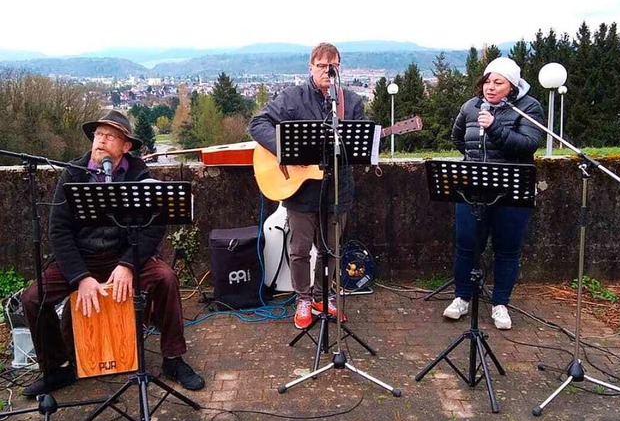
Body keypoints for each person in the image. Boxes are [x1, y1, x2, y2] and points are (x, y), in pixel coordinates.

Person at [21, 110, 205, 397]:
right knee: (33, 298)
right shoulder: (73, 173)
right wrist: (80, 276)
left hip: (124, 254)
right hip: (81, 258)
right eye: (98, 135)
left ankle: (173, 360)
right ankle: (58, 368)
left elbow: (154, 226)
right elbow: (58, 231)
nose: (101, 141)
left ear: (126, 146)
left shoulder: (139, 174)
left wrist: (128, 265)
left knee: (166, 278)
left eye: (110, 136)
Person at [249, 43, 366, 329]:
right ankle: (303, 298)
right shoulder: (292, 98)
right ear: (310, 67)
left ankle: (323, 296)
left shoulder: (350, 102)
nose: (328, 70)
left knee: (332, 249)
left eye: (333, 65)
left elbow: (362, 140)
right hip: (301, 192)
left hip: (338, 189)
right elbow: (257, 123)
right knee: (300, 248)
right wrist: (286, 150)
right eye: (322, 65)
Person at [443, 57, 544, 330]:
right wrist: (475, 158)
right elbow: (457, 137)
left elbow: (528, 145)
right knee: (466, 244)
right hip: (473, 187)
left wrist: (495, 128)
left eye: (498, 82)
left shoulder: (528, 108)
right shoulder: (470, 106)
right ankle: (462, 297)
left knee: (507, 249)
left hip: (512, 189)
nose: (490, 87)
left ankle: (500, 303)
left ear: (512, 86)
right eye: (487, 81)